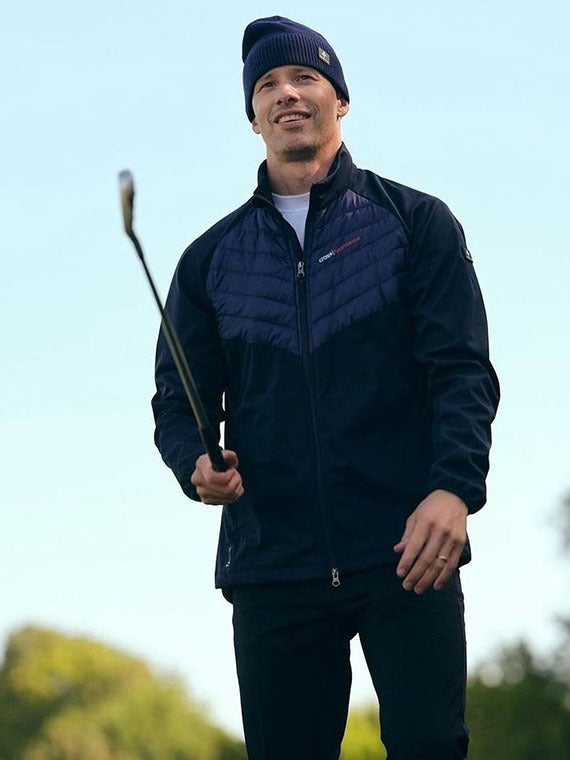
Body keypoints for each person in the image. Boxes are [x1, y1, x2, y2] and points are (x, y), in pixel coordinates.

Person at [152, 15, 500, 760]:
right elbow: (177, 402)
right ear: (252, 116)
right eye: (268, 85)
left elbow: (461, 369)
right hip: (272, 563)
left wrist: (454, 489)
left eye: (305, 77)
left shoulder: (417, 223)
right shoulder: (208, 259)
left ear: (339, 100)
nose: (286, 93)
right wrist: (196, 464)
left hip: (409, 548)